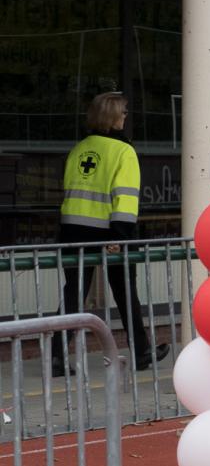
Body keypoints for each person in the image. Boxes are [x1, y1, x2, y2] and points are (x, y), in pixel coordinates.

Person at [56, 92, 167, 375]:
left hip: (72, 230)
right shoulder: (123, 151)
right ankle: (141, 352)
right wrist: (119, 236)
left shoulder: (79, 149)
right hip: (109, 233)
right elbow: (125, 198)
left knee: (74, 293)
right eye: (123, 112)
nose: (126, 117)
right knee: (126, 292)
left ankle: (56, 356)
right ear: (113, 117)